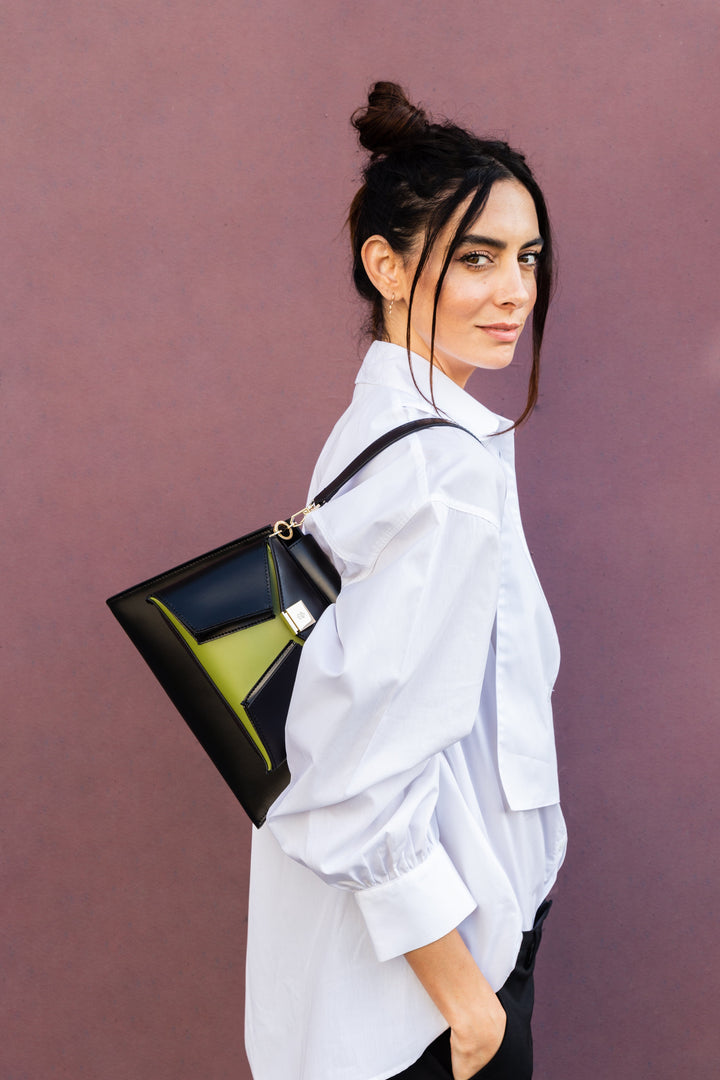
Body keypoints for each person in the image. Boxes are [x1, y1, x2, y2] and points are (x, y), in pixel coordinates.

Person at [245, 81, 567, 1080]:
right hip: (424, 1000)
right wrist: (467, 1001)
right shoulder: (444, 472)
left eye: (527, 259)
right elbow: (349, 773)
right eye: (477, 259)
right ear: (384, 265)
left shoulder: (386, 433)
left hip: (391, 983)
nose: (514, 292)